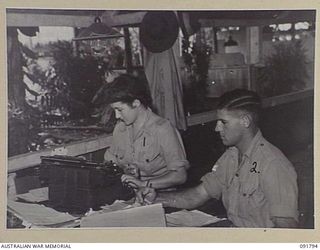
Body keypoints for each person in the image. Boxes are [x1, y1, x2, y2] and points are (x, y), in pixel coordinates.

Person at [137, 89, 299, 228]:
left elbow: (287, 229)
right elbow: (197, 195)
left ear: (245, 121)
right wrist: (157, 198)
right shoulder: (231, 157)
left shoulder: (273, 164)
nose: (217, 128)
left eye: (223, 122)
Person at [103, 74, 189, 190]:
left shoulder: (162, 129)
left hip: (161, 196)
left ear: (136, 103)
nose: (117, 116)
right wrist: (123, 170)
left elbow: (180, 175)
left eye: (120, 110)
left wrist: (143, 184)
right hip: (130, 195)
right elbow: (109, 162)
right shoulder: (120, 128)